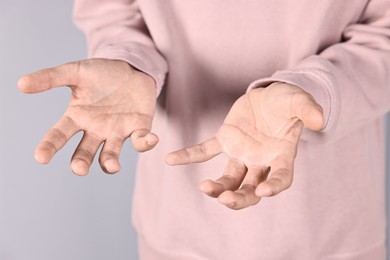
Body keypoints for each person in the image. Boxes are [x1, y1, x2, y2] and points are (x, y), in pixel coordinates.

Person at [18, 0, 390, 259]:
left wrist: (313, 90)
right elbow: (112, 11)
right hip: (178, 227)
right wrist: (130, 63)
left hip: (333, 231)